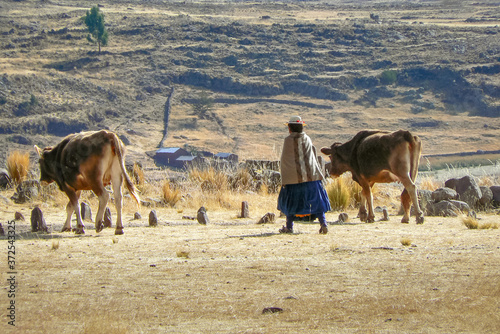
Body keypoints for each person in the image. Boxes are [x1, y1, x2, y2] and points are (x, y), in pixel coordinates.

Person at [277, 116, 331, 234]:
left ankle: (289, 227)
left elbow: (285, 160)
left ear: (290, 129)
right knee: (316, 201)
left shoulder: (288, 140)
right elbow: (312, 155)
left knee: (291, 202)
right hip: (311, 177)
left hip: (292, 179)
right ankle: (323, 224)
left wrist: (286, 177)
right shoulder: (307, 138)